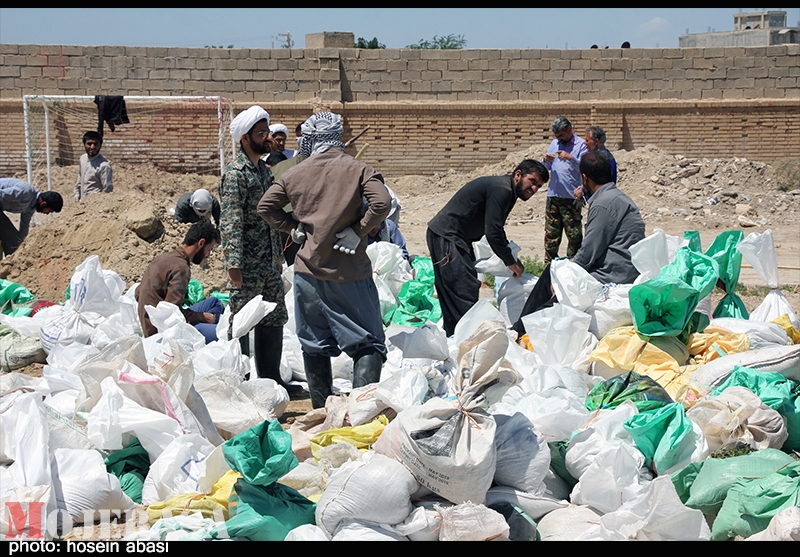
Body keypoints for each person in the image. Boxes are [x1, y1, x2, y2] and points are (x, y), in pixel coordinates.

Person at [258, 112, 392, 409]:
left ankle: (321, 412)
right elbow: (383, 203)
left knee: (315, 345)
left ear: (311, 139)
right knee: (368, 343)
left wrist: (293, 227)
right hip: (350, 272)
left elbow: (266, 206)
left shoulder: (295, 173)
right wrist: (357, 231)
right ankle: (361, 412)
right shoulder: (358, 169)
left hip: (307, 272)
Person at [511, 150, 645, 336]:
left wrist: (565, 275)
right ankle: (520, 329)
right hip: (617, 268)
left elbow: (589, 252)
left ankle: (520, 333)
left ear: (584, 178)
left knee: (555, 293)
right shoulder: (616, 197)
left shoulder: (603, 204)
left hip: (610, 275)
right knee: (553, 272)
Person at [219, 105, 297, 393]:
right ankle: (237, 383)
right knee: (241, 321)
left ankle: (270, 381)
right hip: (247, 264)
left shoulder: (264, 172)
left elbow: (272, 216)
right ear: (245, 138)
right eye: (261, 133)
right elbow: (231, 222)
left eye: (267, 132)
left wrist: (277, 256)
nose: (267, 138)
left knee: (274, 316)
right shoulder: (236, 174)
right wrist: (234, 265)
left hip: (268, 261)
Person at [426, 160, 550, 336]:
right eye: (532, 181)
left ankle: (457, 337)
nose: (534, 189)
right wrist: (509, 261)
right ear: (518, 174)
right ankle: (462, 338)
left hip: (457, 239)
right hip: (447, 236)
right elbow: (492, 232)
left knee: (464, 287)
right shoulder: (502, 190)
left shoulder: (508, 190)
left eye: (538, 186)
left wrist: (513, 258)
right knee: (461, 290)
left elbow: (496, 229)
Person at [136, 219, 223, 343]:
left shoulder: (165, 258)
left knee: (214, 302)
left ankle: (206, 328)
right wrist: (199, 316)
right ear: (201, 243)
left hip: (152, 321)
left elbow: (137, 293)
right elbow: (172, 310)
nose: (208, 255)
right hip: (162, 333)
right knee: (224, 335)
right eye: (209, 249)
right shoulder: (181, 267)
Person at [543, 116, 587, 265]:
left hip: (571, 198)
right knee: (551, 235)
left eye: (562, 135)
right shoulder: (555, 143)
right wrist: (545, 161)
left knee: (574, 236)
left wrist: (571, 158)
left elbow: (586, 168)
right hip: (553, 196)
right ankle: (549, 267)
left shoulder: (581, 145)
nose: (559, 139)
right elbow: (546, 168)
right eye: (556, 136)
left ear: (569, 130)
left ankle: (573, 267)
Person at [0, 178, 63, 256]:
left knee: (14, 240)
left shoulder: (30, 208)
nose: (47, 214)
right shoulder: (25, 192)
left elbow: (24, 225)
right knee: (10, 235)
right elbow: (1, 193)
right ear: (43, 204)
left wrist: (21, 244)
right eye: (49, 211)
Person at [574, 125, 617, 200]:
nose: (585, 143)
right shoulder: (600, 157)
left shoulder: (602, 160)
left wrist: (583, 191)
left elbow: (600, 184)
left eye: (587, 140)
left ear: (596, 141)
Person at [74, 131, 113, 202]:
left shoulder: (104, 166)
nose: (92, 147)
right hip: (82, 202)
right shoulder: (83, 158)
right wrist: (76, 193)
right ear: (84, 144)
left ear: (100, 145)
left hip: (94, 203)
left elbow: (107, 189)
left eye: (95, 144)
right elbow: (80, 177)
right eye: (89, 144)